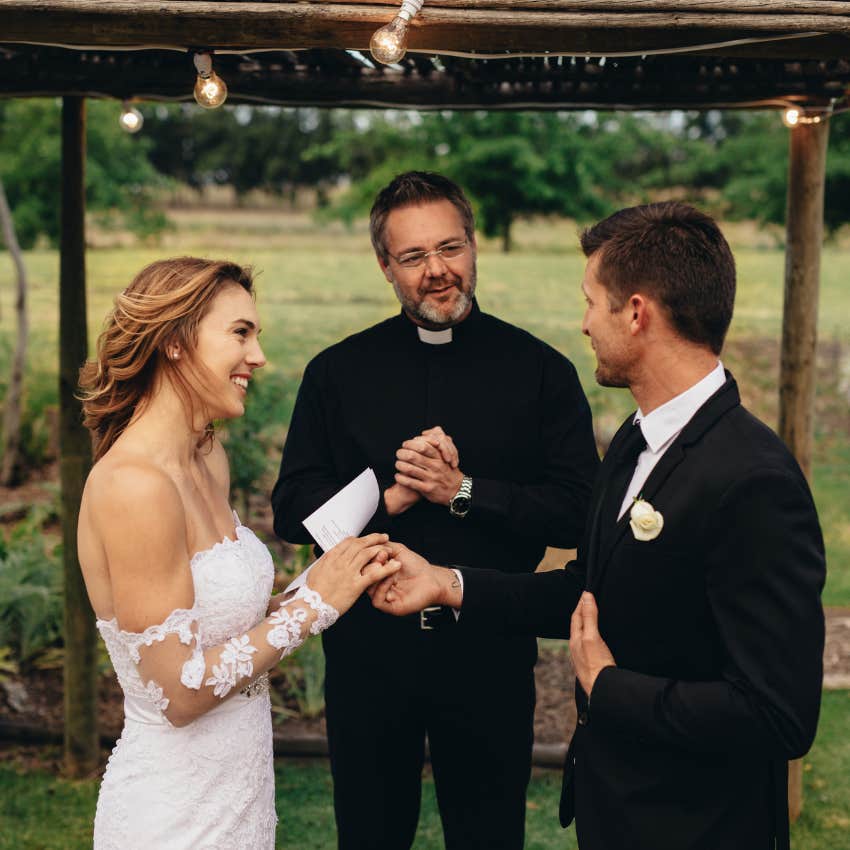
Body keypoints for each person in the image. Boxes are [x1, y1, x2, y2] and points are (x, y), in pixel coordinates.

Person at [370, 202, 826, 850]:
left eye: (591, 302)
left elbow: (778, 716)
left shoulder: (754, 481)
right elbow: (588, 591)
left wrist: (610, 691)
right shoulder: (634, 442)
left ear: (636, 313)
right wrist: (446, 583)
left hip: (700, 828)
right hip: (616, 813)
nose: (583, 323)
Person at [271, 171, 600, 849]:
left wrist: (465, 491)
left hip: (489, 646)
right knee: (369, 832)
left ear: (474, 246)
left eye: (449, 248)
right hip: (366, 653)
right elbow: (291, 510)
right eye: (414, 257)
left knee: (488, 835)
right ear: (385, 266)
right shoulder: (337, 373)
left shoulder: (541, 372)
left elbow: (576, 514)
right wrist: (389, 494)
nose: (437, 272)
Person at [76, 257, 400, 849]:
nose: (258, 357)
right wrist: (313, 611)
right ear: (175, 342)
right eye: (240, 333)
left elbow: (220, 628)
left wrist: (320, 583)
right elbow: (179, 691)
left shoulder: (206, 458)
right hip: (173, 813)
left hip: (241, 791)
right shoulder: (134, 485)